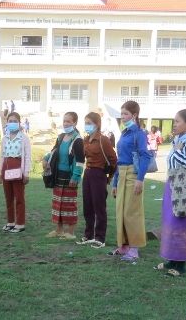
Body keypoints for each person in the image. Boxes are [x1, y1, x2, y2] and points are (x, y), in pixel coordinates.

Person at [154, 109, 186, 276]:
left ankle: (180, 264)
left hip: (184, 188)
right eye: (174, 121)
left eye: (178, 121)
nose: (174, 124)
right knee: (171, 222)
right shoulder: (178, 139)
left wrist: (178, 152)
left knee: (182, 224)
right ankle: (171, 259)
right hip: (172, 184)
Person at [110, 100, 152, 262]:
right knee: (121, 211)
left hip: (133, 174)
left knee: (132, 212)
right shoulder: (124, 133)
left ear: (134, 115)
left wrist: (140, 179)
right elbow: (119, 159)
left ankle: (134, 248)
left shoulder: (139, 134)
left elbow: (145, 156)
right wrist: (115, 182)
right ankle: (124, 245)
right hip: (121, 173)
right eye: (121, 113)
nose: (122, 116)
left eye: (125, 113)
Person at [77, 112, 117, 248]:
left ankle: (100, 237)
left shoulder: (103, 140)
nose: (86, 126)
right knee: (87, 206)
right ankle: (88, 235)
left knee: (99, 206)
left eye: (89, 123)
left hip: (98, 174)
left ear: (97, 124)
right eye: (85, 123)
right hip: (88, 173)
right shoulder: (86, 139)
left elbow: (113, 159)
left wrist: (109, 176)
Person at [44, 112, 85, 239]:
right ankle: (59, 230)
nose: (65, 123)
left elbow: (80, 161)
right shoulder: (60, 137)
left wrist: (75, 176)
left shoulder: (78, 140)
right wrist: (46, 158)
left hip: (70, 176)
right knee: (58, 203)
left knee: (69, 204)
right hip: (58, 174)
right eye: (64, 121)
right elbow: (54, 151)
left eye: (68, 121)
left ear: (75, 123)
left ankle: (70, 232)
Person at [0, 111, 31, 233]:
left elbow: (27, 156)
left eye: (15, 121)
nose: (12, 123)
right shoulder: (4, 138)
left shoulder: (24, 138)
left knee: (19, 197)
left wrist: (26, 173)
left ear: (19, 123)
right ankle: (10, 222)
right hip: (6, 169)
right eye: (10, 121)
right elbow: (2, 156)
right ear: (7, 123)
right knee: (8, 197)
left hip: (18, 169)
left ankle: (20, 223)